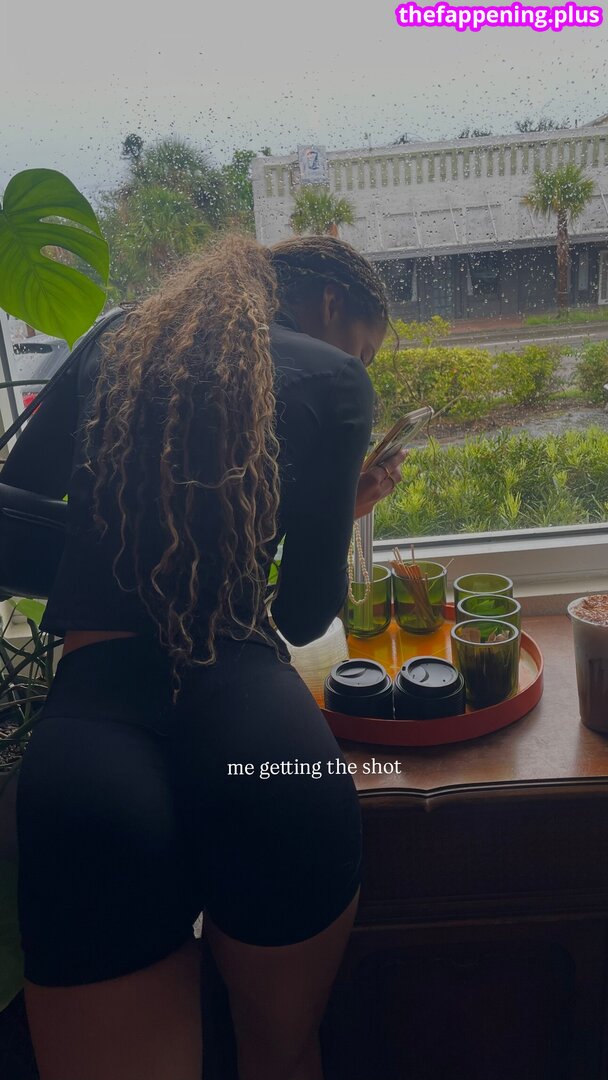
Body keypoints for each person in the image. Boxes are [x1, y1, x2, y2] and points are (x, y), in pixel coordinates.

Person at [2, 234, 405, 1080]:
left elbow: (17, 501)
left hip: (94, 756)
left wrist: (121, 542)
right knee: (280, 1058)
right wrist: (324, 508)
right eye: (362, 346)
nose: (357, 361)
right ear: (329, 305)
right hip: (266, 753)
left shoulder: (119, 339)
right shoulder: (336, 381)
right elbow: (302, 615)